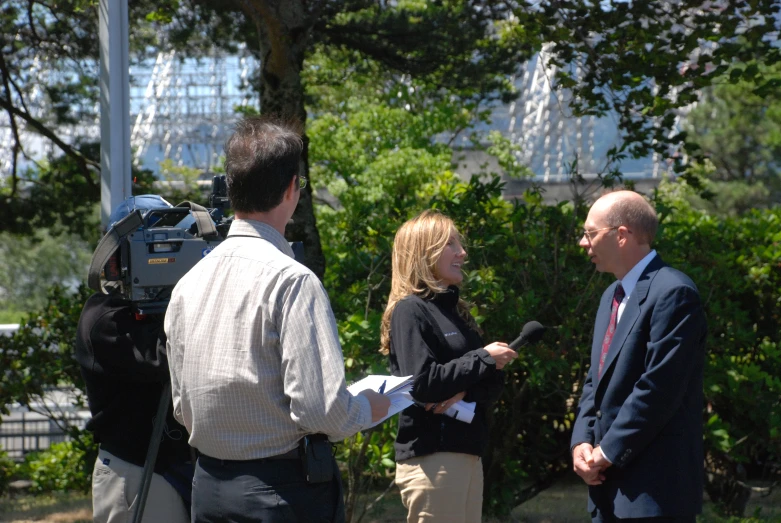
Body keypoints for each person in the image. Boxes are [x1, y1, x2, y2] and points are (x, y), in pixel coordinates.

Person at [164, 115, 390, 523]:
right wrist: (367, 409)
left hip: (208, 487)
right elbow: (322, 412)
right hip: (281, 492)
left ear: (231, 188)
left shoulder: (188, 283)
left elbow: (182, 406)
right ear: (292, 190)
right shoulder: (292, 280)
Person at [570, 190, 707, 522]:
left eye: (590, 233)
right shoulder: (611, 296)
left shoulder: (674, 292)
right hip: (606, 490)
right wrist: (581, 443)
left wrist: (608, 451)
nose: (582, 243)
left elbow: (659, 388)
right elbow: (595, 381)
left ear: (621, 235)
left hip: (654, 493)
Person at [380, 210, 518, 523]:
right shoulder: (410, 310)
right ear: (423, 254)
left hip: (466, 455)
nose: (462, 252)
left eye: (460, 243)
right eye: (450, 244)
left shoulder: (458, 313)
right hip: (434, 459)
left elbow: (493, 383)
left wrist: (465, 386)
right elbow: (423, 383)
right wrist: (482, 359)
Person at [75, 194, 192, 523]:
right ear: (118, 257)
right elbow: (172, 359)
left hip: (178, 466)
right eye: (150, 248)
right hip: (138, 472)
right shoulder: (104, 317)